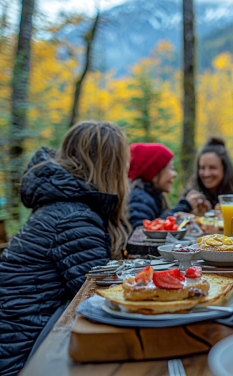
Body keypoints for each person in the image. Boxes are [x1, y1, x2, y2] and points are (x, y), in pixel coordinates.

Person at [0, 121, 131, 375]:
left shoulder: (65, 206)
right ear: (111, 166)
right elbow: (101, 299)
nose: (128, 169)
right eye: (125, 161)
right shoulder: (74, 218)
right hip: (23, 358)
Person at [127, 143, 209, 229]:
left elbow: (159, 222)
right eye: (171, 168)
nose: (175, 174)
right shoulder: (139, 199)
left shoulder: (154, 197)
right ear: (154, 174)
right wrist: (184, 206)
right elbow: (142, 233)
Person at [185, 137, 233, 209]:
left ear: (225, 169)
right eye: (202, 168)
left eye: (213, 168)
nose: (206, 174)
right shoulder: (189, 197)